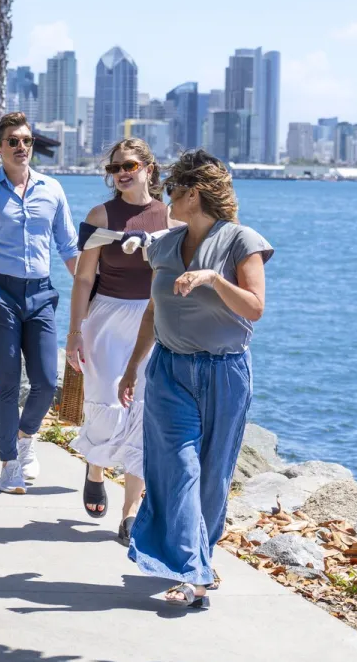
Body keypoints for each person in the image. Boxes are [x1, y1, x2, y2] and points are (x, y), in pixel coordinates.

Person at [118, 149, 273, 609]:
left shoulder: (241, 241)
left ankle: (199, 560)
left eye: (171, 192)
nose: (165, 201)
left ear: (194, 193)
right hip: (169, 372)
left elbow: (254, 308)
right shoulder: (164, 245)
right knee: (179, 469)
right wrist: (132, 368)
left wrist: (212, 279)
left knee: (212, 477)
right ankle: (192, 575)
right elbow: (153, 310)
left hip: (225, 373)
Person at [0, 112, 77, 495]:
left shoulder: (53, 189)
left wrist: (92, 293)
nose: (21, 146)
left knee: (47, 381)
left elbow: (68, 247)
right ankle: (9, 462)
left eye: (26, 140)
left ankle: (25, 437)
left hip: (42, 293)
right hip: (1, 292)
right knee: (9, 381)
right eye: (12, 140)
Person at [67, 139, 170, 545]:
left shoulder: (170, 216)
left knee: (144, 412)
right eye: (114, 168)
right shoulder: (101, 215)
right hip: (106, 318)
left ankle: (130, 512)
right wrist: (74, 331)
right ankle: (95, 467)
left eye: (128, 165)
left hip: (154, 319)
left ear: (148, 167)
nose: (121, 173)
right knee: (107, 406)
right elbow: (83, 279)